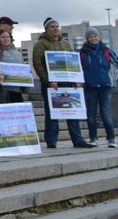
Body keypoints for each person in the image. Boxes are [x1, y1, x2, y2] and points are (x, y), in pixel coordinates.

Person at [32, 17, 94, 150]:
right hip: (52, 83)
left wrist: (77, 79)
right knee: (52, 113)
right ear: (46, 29)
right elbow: (38, 64)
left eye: (57, 26)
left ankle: (77, 139)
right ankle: (51, 140)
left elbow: (73, 63)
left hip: (68, 81)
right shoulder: (40, 44)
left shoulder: (66, 44)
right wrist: (47, 81)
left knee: (72, 111)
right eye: (52, 26)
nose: (55, 28)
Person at [79, 28, 118, 148]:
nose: (93, 38)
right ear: (87, 39)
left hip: (105, 86)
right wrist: (77, 81)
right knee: (91, 114)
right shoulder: (81, 53)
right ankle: (93, 138)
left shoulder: (106, 51)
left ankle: (111, 139)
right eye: (91, 36)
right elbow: (75, 68)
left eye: (95, 36)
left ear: (99, 37)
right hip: (89, 87)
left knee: (105, 113)